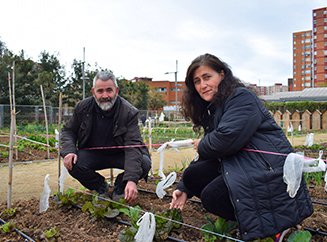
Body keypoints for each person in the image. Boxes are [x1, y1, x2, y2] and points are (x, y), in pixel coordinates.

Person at [169, 54, 313, 241]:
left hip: (269, 170)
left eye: (207, 77)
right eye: (197, 81)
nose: (202, 85)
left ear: (222, 75)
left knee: (212, 196)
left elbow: (226, 140)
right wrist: (184, 187)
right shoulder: (213, 109)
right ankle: (246, 220)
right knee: (192, 176)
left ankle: (277, 228)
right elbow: (209, 152)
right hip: (243, 163)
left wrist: (202, 144)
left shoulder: (241, 98)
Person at [61, 71, 151, 203]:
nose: (105, 95)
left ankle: (121, 186)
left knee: (144, 162)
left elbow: (133, 146)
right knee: (73, 163)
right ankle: (100, 186)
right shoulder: (82, 108)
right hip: (93, 154)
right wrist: (69, 151)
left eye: (109, 90)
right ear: (93, 92)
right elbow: (68, 130)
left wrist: (131, 180)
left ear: (117, 90)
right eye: (100, 91)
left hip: (121, 155)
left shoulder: (129, 112)